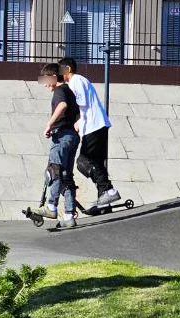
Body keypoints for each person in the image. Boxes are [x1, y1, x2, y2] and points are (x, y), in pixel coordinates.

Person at [57, 57, 121, 209]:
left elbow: (81, 102)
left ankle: (108, 189)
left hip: (93, 125)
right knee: (96, 162)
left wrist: (74, 121)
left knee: (83, 162)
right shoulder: (79, 80)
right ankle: (104, 201)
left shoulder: (76, 81)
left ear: (68, 69)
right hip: (95, 125)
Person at [32, 63, 80, 229]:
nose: (44, 84)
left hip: (61, 136)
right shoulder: (70, 91)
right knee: (66, 175)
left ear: (53, 77)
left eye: (45, 79)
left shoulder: (60, 91)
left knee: (54, 171)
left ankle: (51, 206)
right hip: (72, 137)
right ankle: (69, 215)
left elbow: (62, 106)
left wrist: (49, 124)